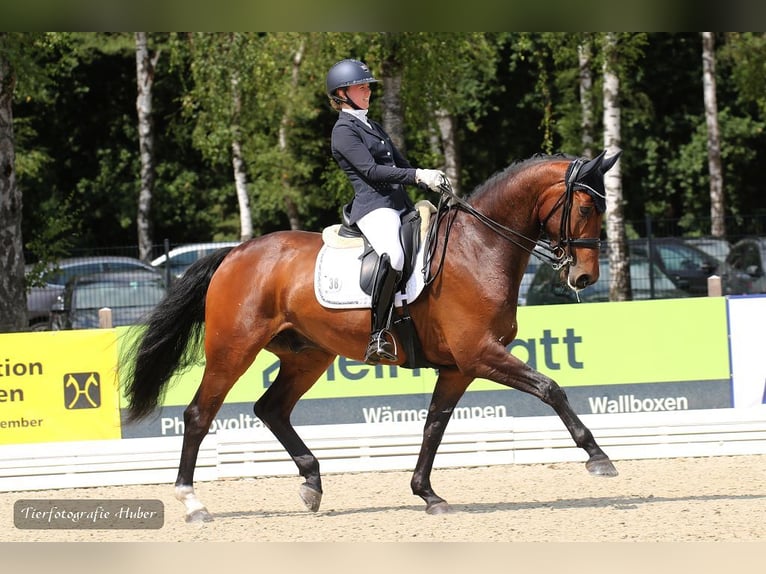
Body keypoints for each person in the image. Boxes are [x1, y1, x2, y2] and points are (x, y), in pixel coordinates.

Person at [326, 58, 445, 364]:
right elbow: (372, 170)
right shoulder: (343, 131)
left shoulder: (371, 124)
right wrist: (417, 176)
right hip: (374, 206)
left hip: (399, 203)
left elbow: (400, 164)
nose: (368, 91)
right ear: (342, 93)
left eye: (368, 86)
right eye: (361, 86)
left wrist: (431, 181)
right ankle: (378, 334)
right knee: (393, 255)